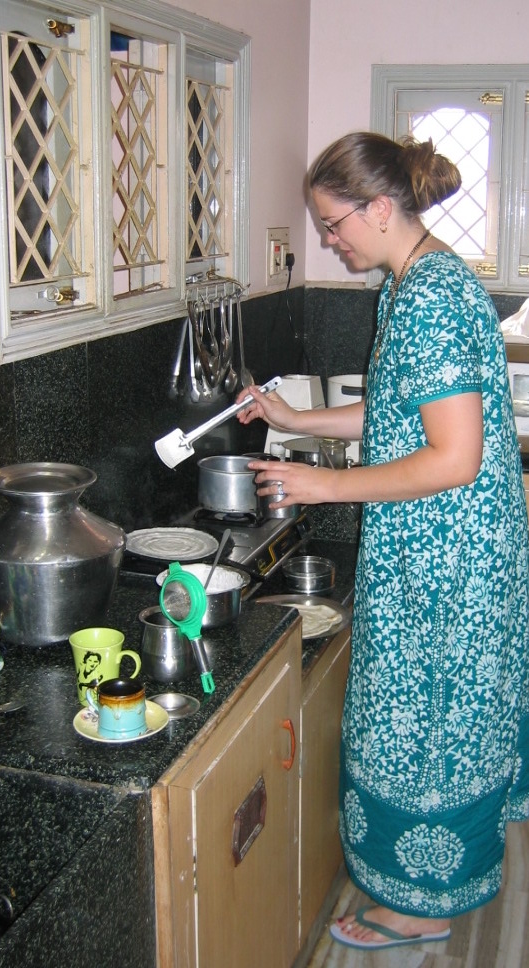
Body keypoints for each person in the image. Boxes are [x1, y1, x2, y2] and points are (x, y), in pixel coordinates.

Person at [237, 132, 529, 951]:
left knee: (426, 726)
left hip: (450, 557)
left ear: (378, 207)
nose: (330, 240)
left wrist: (323, 482)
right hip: (443, 547)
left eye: (334, 224)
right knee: (433, 720)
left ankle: (425, 902)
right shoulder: (413, 283)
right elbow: (400, 414)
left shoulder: (431, 296)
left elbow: (453, 455)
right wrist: (297, 421)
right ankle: (434, 879)